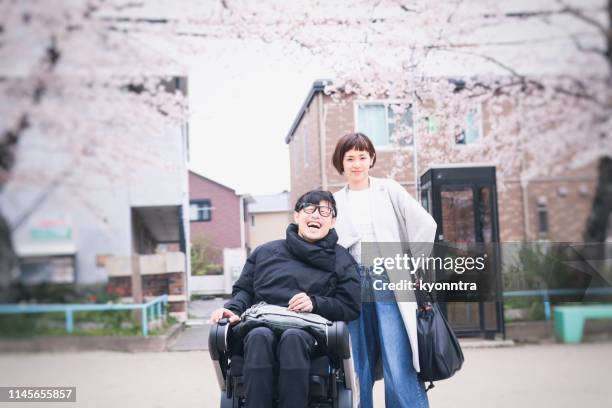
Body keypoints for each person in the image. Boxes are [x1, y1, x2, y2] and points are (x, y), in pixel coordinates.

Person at [210, 190, 360, 408]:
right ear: (297, 215)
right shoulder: (265, 252)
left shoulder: (341, 259)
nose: (316, 215)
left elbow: (350, 306)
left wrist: (315, 303)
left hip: (310, 333)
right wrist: (231, 309)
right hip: (259, 327)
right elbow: (244, 291)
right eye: (309, 209)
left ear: (333, 220)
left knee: (293, 338)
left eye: (324, 211)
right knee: (259, 336)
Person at [331, 132, 437, 408]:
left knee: (397, 354)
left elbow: (426, 224)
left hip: (388, 278)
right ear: (340, 163)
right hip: (351, 282)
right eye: (350, 158)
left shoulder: (388, 189)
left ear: (371, 159)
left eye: (362, 157)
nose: (356, 163)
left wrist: (411, 263)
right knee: (357, 357)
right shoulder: (334, 201)